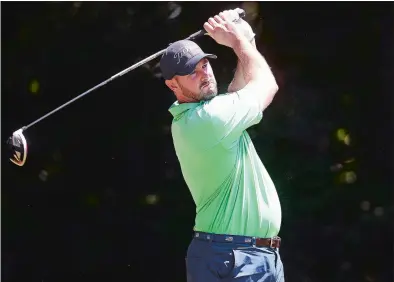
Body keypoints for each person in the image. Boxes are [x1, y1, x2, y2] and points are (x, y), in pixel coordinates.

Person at [160, 8, 284, 282]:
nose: (203, 73)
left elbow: (240, 91)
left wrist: (246, 39)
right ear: (172, 84)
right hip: (235, 255)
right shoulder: (208, 120)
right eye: (190, 72)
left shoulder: (201, 116)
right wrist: (237, 42)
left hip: (242, 253)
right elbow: (266, 84)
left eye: (204, 64)